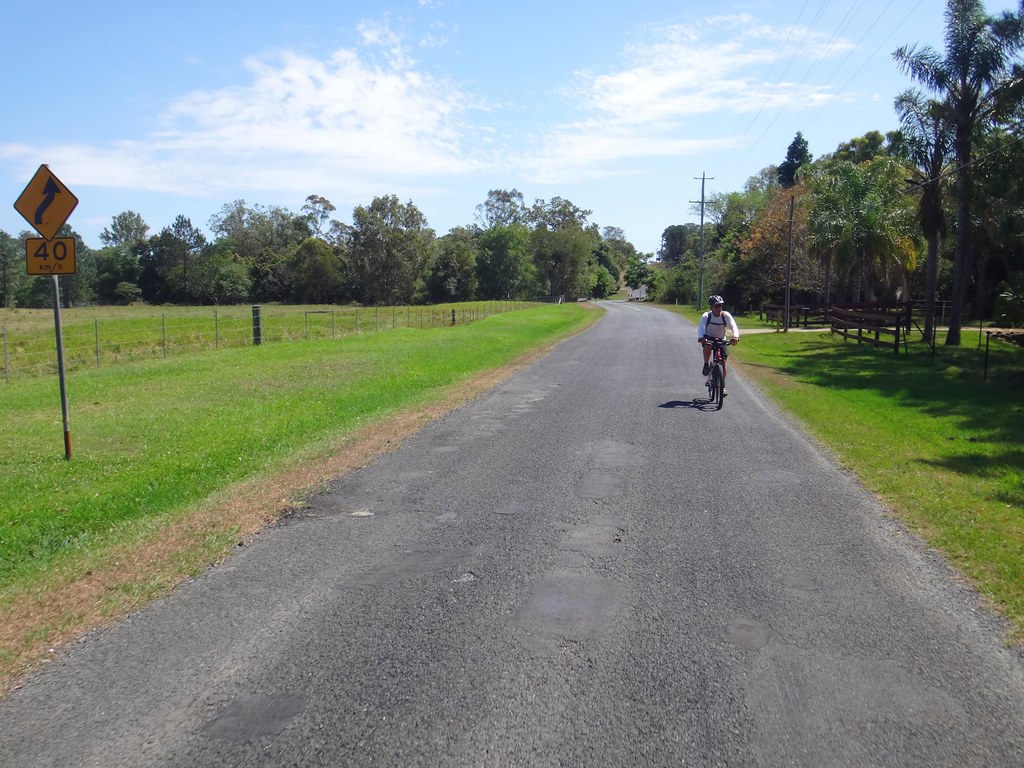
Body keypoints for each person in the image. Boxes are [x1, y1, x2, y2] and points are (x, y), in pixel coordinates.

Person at [697, 295, 740, 393]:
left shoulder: (725, 315)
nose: (718, 308)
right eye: (716, 306)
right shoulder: (706, 316)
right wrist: (700, 337)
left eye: (720, 306)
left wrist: (735, 336)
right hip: (708, 337)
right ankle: (706, 364)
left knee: (723, 363)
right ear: (711, 307)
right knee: (708, 345)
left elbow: (733, 326)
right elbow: (701, 328)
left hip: (721, 339)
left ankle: (722, 386)